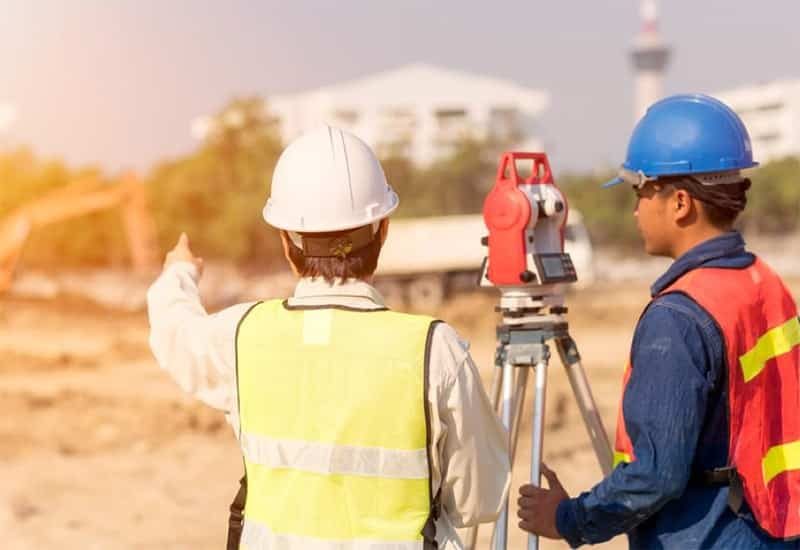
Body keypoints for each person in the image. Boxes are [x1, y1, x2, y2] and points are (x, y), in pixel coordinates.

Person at [147, 125, 510, 550]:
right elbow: (480, 499)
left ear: (286, 241)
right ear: (383, 229)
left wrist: (179, 272)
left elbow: (176, 330)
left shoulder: (242, 337)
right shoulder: (433, 351)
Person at [516, 94, 800, 548]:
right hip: (772, 527)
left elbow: (656, 474)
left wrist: (569, 519)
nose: (636, 210)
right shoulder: (762, 281)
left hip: (708, 535)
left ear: (680, 202)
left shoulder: (678, 317)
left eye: (640, 193)